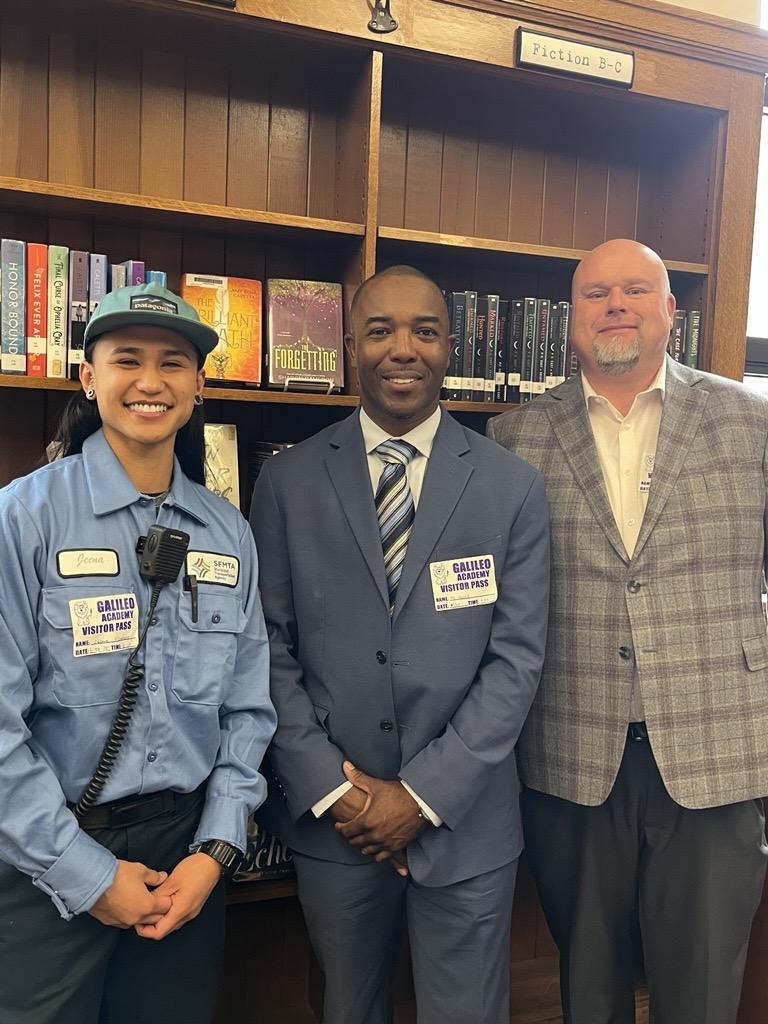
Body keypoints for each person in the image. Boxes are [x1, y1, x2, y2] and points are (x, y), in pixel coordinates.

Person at [250, 265, 550, 1024]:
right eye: (380, 330)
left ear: (451, 345)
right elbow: (265, 650)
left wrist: (420, 797)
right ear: (351, 344)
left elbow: (516, 662)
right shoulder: (285, 484)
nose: (402, 349)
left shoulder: (511, 487)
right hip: (336, 825)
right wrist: (339, 791)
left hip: (466, 823)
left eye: (424, 330)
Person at [488, 238, 768, 1024]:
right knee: (590, 985)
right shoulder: (515, 440)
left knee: (706, 986)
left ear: (670, 311)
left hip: (716, 749)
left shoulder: (752, 423)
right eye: (596, 293)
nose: (616, 305)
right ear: (570, 320)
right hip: (572, 749)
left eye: (637, 290)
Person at [0, 282, 276, 1024]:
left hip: (184, 860)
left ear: (197, 387)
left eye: (174, 364)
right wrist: (87, 875)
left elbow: (249, 711)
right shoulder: (22, 517)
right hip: (45, 856)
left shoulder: (228, 533)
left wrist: (214, 850)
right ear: (89, 377)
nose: (151, 382)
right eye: (127, 360)